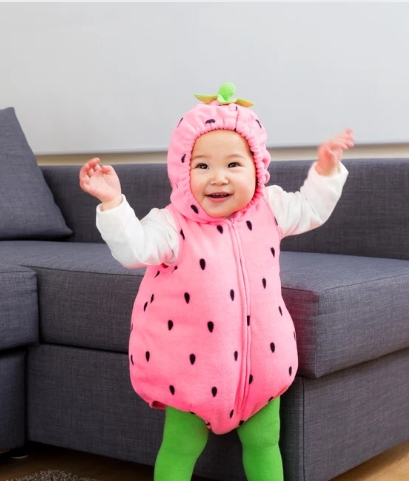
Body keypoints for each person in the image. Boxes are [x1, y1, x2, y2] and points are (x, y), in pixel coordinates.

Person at [79, 83, 354, 481]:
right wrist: (113, 203)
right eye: (202, 166)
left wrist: (326, 171)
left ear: (257, 167)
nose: (218, 178)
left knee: (265, 441)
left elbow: (310, 207)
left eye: (233, 164)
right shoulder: (172, 224)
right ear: (182, 171)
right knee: (180, 446)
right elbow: (134, 250)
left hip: (263, 366)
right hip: (191, 373)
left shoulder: (270, 208)